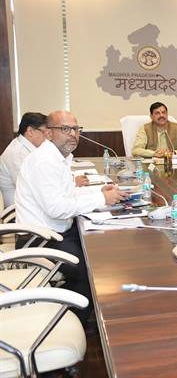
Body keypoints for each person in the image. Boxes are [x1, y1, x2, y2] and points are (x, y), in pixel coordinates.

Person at [15, 111, 128, 323]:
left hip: (56, 230)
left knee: (102, 248)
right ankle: (68, 322)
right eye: (65, 129)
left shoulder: (58, 158)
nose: (73, 134)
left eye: (76, 129)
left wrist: (99, 192)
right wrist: (101, 199)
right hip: (39, 239)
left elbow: (67, 195)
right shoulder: (44, 162)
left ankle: (89, 312)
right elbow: (58, 209)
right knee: (91, 273)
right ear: (49, 133)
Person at [0, 112, 49, 207]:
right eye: (45, 132)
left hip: (30, 202)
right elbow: (31, 187)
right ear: (30, 131)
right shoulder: (17, 153)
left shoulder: (26, 147)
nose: (47, 137)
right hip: (18, 209)